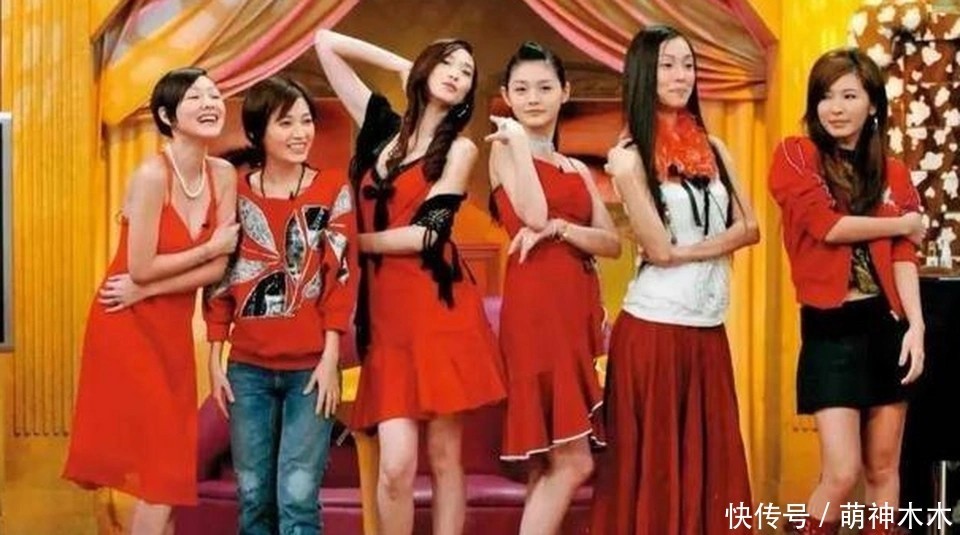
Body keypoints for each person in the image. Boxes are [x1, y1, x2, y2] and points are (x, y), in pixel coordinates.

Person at [313, 30, 506, 535]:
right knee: (395, 467)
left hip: (440, 310)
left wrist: (351, 243)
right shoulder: (380, 127)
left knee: (443, 455)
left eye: (466, 73)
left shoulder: (459, 150)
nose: (457, 75)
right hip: (386, 319)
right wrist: (403, 63)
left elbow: (428, 234)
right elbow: (324, 41)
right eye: (447, 63)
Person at [591, 25, 759, 534]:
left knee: (711, 468)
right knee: (656, 473)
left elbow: (751, 228)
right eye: (667, 65)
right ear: (644, 72)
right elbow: (657, 249)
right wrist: (693, 248)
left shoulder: (716, 149)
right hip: (654, 331)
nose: (681, 75)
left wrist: (687, 251)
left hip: (707, 329)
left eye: (687, 64)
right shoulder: (628, 158)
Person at [64, 67, 239, 535]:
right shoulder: (150, 176)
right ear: (167, 116)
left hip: (168, 329)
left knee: (169, 472)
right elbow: (141, 266)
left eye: (214, 95)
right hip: (126, 324)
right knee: (163, 472)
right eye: (195, 97)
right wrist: (207, 248)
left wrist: (153, 287)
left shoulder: (223, 175)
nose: (210, 103)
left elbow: (218, 271)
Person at [768, 48, 924, 535]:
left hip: (886, 325)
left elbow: (904, 255)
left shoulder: (893, 172)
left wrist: (917, 327)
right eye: (825, 96)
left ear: (872, 104)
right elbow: (826, 226)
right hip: (830, 329)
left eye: (849, 96)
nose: (835, 108)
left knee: (883, 469)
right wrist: (903, 222)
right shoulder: (796, 155)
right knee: (840, 472)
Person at [204, 75, 358, 535]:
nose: (300, 133)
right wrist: (214, 358)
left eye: (306, 121)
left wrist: (331, 358)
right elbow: (221, 279)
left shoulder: (332, 188)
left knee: (297, 497)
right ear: (258, 132)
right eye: (285, 122)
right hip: (246, 370)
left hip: (311, 369)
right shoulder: (236, 193)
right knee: (253, 496)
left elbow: (340, 278)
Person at [486, 41, 620, 535]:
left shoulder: (578, 168)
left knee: (549, 463)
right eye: (521, 89)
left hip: (575, 312)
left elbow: (611, 243)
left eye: (544, 87)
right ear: (507, 97)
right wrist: (521, 144)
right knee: (574, 461)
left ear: (565, 91)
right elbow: (534, 215)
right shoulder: (504, 149)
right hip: (536, 311)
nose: (533, 98)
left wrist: (564, 230)